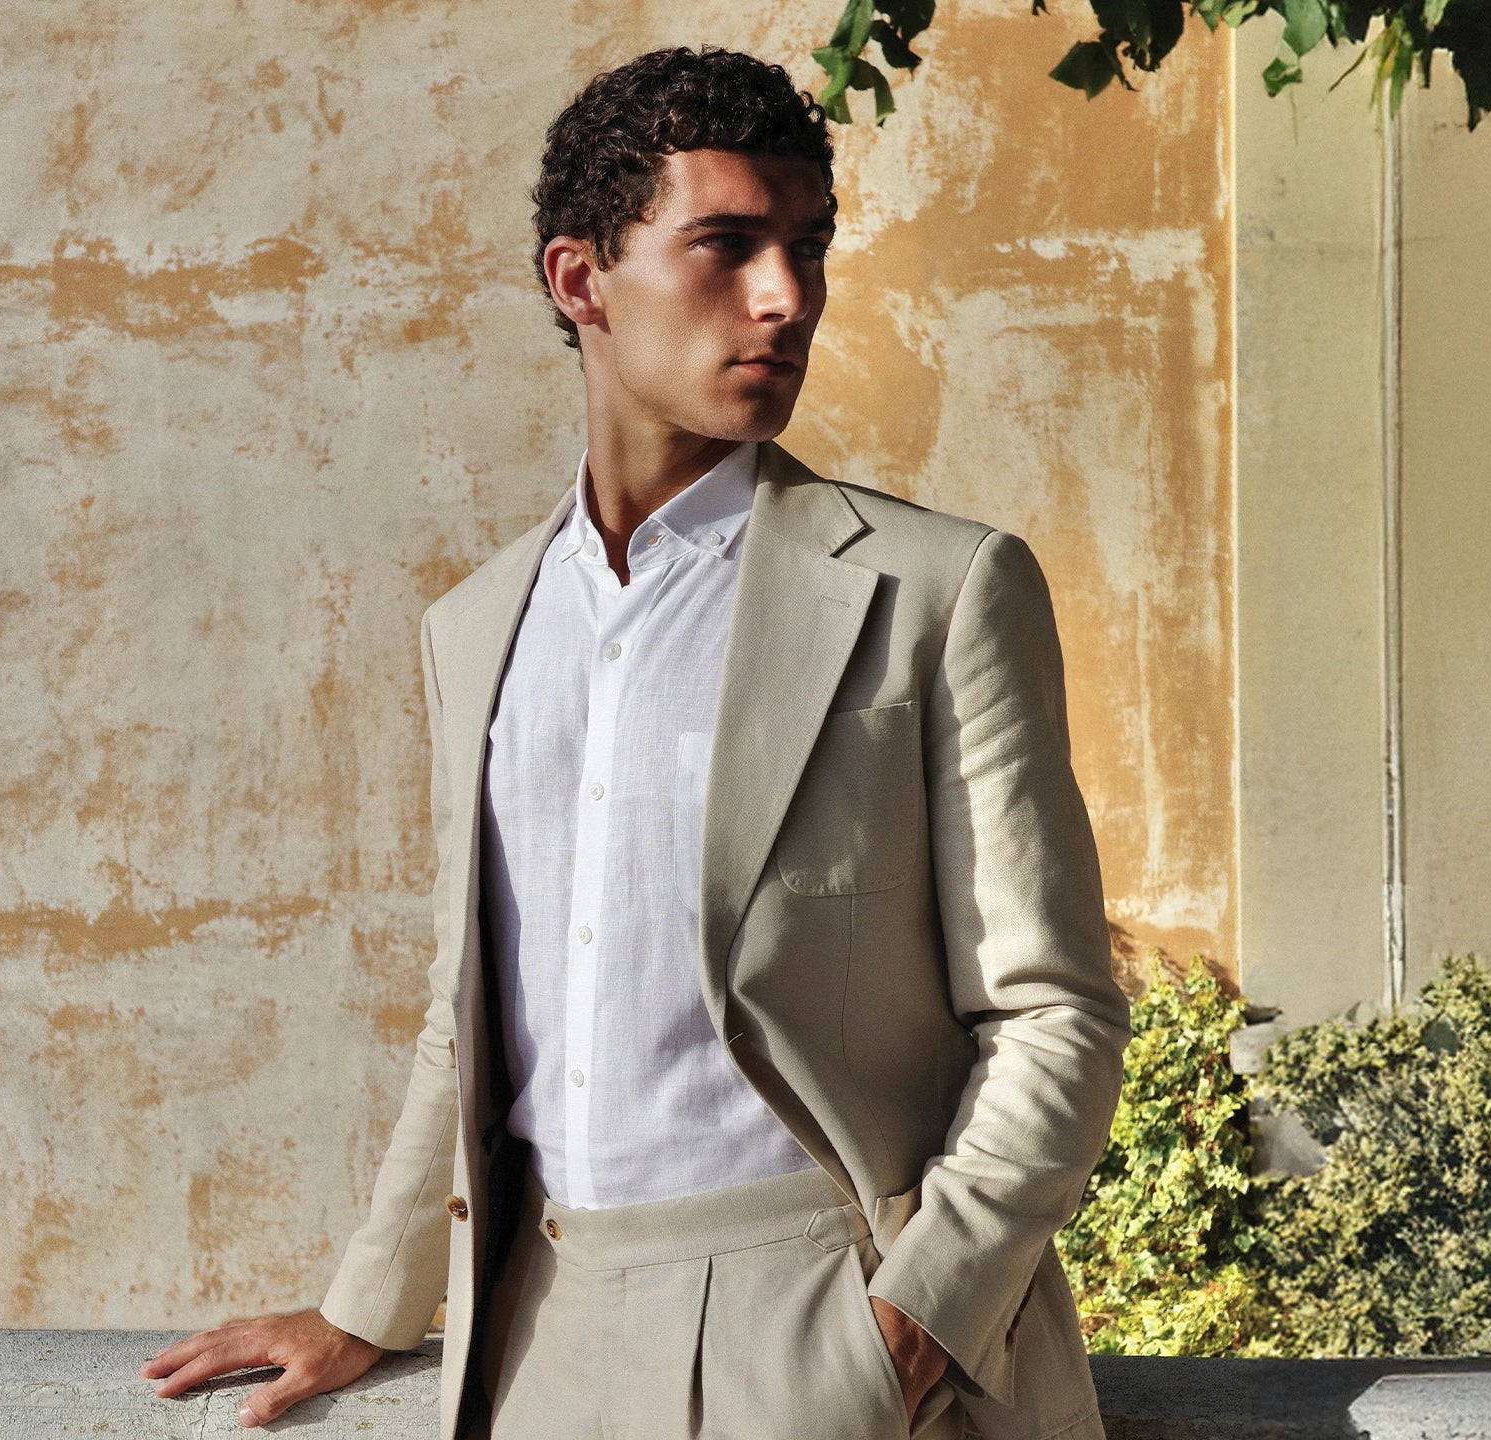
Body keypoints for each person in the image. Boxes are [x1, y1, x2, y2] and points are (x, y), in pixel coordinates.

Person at [140, 46, 1129, 1440]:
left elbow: (1053, 1009)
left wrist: (913, 1325)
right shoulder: (477, 628)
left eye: (807, 247)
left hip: (820, 1314)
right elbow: (474, 1011)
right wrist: (373, 1300)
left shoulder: (936, 589)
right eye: (725, 246)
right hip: (534, 1333)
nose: (785, 297)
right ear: (580, 280)